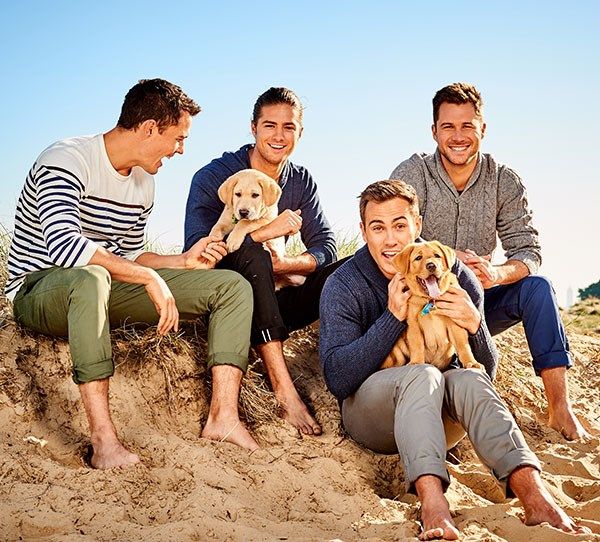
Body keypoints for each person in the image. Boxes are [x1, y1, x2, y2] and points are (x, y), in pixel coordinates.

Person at [5, 78, 258, 468]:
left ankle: (222, 418)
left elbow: (131, 256)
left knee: (231, 287)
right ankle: (104, 443)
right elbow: (65, 247)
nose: (181, 150)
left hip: (106, 287)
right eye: (178, 138)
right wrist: (147, 278)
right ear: (150, 128)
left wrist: (182, 261)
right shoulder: (66, 158)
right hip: (40, 290)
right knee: (91, 278)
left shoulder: (144, 183)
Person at [319, 180, 590, 539]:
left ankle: (536, 497)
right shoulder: (344, 283)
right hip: (373, 420)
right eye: (378, 228)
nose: (390, 240)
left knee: (470, 377)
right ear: (363, 231)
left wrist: (476, 325)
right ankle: (433, 506)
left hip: (439, 421)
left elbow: (485, 370)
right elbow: (338, 377)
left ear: (417, 224)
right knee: (423, 374)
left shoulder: (454, 274)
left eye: (400, 225)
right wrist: (392, 319)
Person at [390, 82, 589, 441]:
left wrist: (496, 273)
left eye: (467, 125)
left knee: (539, 288)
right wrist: (452, 261)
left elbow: (528, 251)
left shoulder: (504, 180)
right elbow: (393, 236)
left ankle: (560, 409)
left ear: (483, 129)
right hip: (422, 304)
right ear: (434, 131)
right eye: (448, 126)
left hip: (479, 302)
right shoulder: (413, 172)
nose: (458, 136)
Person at [185, 87, 342, 436]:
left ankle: (352, 368)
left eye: (289, 127)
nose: (279, 136)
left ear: (300, 132)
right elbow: (199, 252)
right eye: (270, 125)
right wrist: (264, 233)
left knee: (351, 266)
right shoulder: (216, 177)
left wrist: (287, 265)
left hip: (277, 294)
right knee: (254, 254)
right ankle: (283, 387)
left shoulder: (300, 180)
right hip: (231, 303)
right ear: (253, 127)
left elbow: (326, 246)